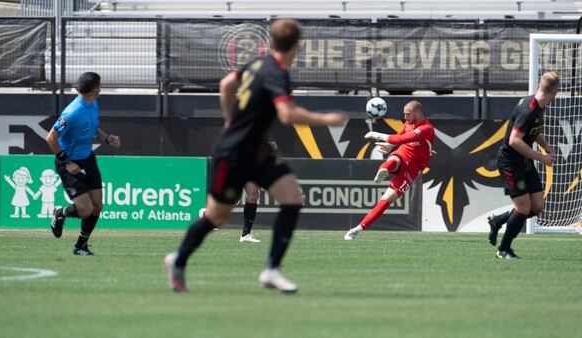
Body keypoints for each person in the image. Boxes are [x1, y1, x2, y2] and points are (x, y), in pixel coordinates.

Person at [164, 18, 347, 294]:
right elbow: (286, 114)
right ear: (297, 45)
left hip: (257, 150)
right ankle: (177, 259)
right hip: (235, 152)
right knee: (216, 217)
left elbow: (226, 84)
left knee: (293, 198)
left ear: (270, 42)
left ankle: (272, 269)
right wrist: (325, 119)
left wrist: (229, 120)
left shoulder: (257, 64)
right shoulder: (276, 72)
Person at [45, 72, 121, 256]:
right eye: (100, 85)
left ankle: (80, 246)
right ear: (95, 89)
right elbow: (51, 137)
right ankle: (60, 213)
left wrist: (107, 138)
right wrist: (67, 163)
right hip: (69, 162)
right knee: (85, 209)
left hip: (88, 159)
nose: (101, 88)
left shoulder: (92, 103)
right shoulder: (73, 111)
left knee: (97, 206)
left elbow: (93, 128)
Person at [487, 72, 559, 259]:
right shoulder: (529, 109)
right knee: (523, 208)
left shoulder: (537, 105)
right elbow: (514, 140)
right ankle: (503, 250)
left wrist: (547, 147)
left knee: (537, 206)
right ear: (555, 92)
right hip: (510, 163)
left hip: (524, 162)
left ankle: (498, 221)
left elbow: (533, 132)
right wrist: (542, 158)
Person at [344, 100, 434, 240]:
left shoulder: (426, 128)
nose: (405, 117)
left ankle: (357, 229)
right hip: (402, 154)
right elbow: (399, 137)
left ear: (417, 113)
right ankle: (383, 171)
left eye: (408, 114)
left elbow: (404, 138)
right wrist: (389, 145)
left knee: (386, 200)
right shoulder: (408, 123)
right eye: (404, 114)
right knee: (393, 160)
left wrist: (378, 135)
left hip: (412, 168)